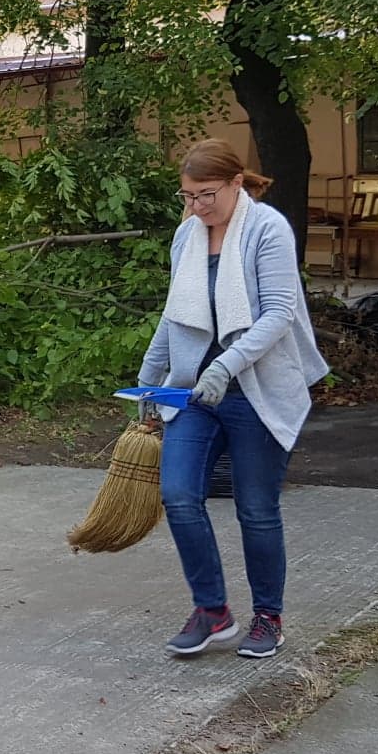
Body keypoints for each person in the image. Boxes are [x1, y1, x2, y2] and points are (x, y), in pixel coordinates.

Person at [138, 139, 329, 660]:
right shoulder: (187, 235)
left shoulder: (267, 228)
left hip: (255, 392)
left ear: (236, 183)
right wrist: (150, 373)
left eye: (206, 195)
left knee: (256, 509)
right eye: (188, 196)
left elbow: (279, 313)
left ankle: (269, 617)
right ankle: (212, 612)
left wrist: (226, 365)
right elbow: (175, 313)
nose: (197, 206)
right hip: (193, 391)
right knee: (178, 495)